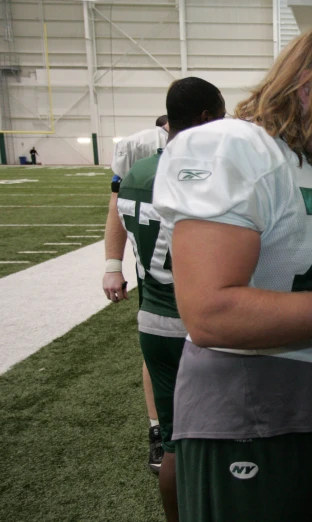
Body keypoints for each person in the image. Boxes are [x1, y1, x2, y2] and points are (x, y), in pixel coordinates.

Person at [152, 27, 312, 522]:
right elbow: (210, 313)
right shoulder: (232, 147)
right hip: (247, 413)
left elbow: (300, 283)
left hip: (308, 409)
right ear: (308, 86)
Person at [117, 77, 225, 522]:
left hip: (152, 320)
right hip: (197, 323)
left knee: (175, 444)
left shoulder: (139, 172)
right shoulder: (204, 175)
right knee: (219, 440)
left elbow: (117, 216)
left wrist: (111, 265)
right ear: (204, 118)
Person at [101, 114, 169, 474]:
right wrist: (114, 264)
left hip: (207, 273)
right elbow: (117, 203)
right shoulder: (139, 147)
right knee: (156, 350)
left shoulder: (222, 145)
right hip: (158, 276)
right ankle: (158, 429)